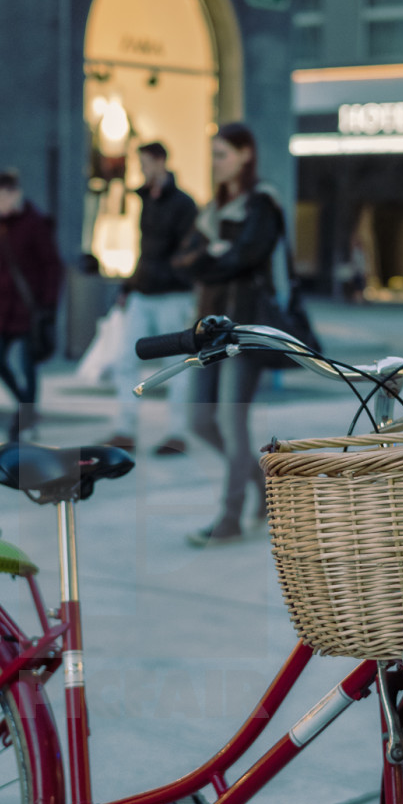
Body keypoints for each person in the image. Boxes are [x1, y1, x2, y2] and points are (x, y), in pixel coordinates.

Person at [175, 122, 282, 548]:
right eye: (213, 154)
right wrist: (210, 255)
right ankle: (264, 485)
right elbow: (183, 259)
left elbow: (244, 258)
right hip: (208, 328)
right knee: (199, 419)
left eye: (222, 154)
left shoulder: (263, 204)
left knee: (231, 421)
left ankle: (230, 517)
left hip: (245, 325)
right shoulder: (213, 209)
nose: (215, 163)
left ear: (245, 155)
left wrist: (212, 257)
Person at [107, 141, 198, 456]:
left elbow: (190, 250)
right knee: (125, 359)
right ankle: (125, 429)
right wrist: (129, 286)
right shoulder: (146, 199)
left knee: (175, 365)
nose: (142, 170)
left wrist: (176, 277)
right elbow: (145, 248)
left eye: (145, 163)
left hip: (173, 295)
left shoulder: (184, 204)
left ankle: (176, 433)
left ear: (160, 162)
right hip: (143, 292)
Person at [0, 170, 62, 440]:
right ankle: (25, 408)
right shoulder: (2, 226)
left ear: (14, 194)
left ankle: (25, 420)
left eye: (1, 198)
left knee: (28, 364)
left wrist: (49, 305)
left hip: (31, 307)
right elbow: (2, 269)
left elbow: (52, 265)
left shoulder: (35, 223)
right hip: (7, 306)